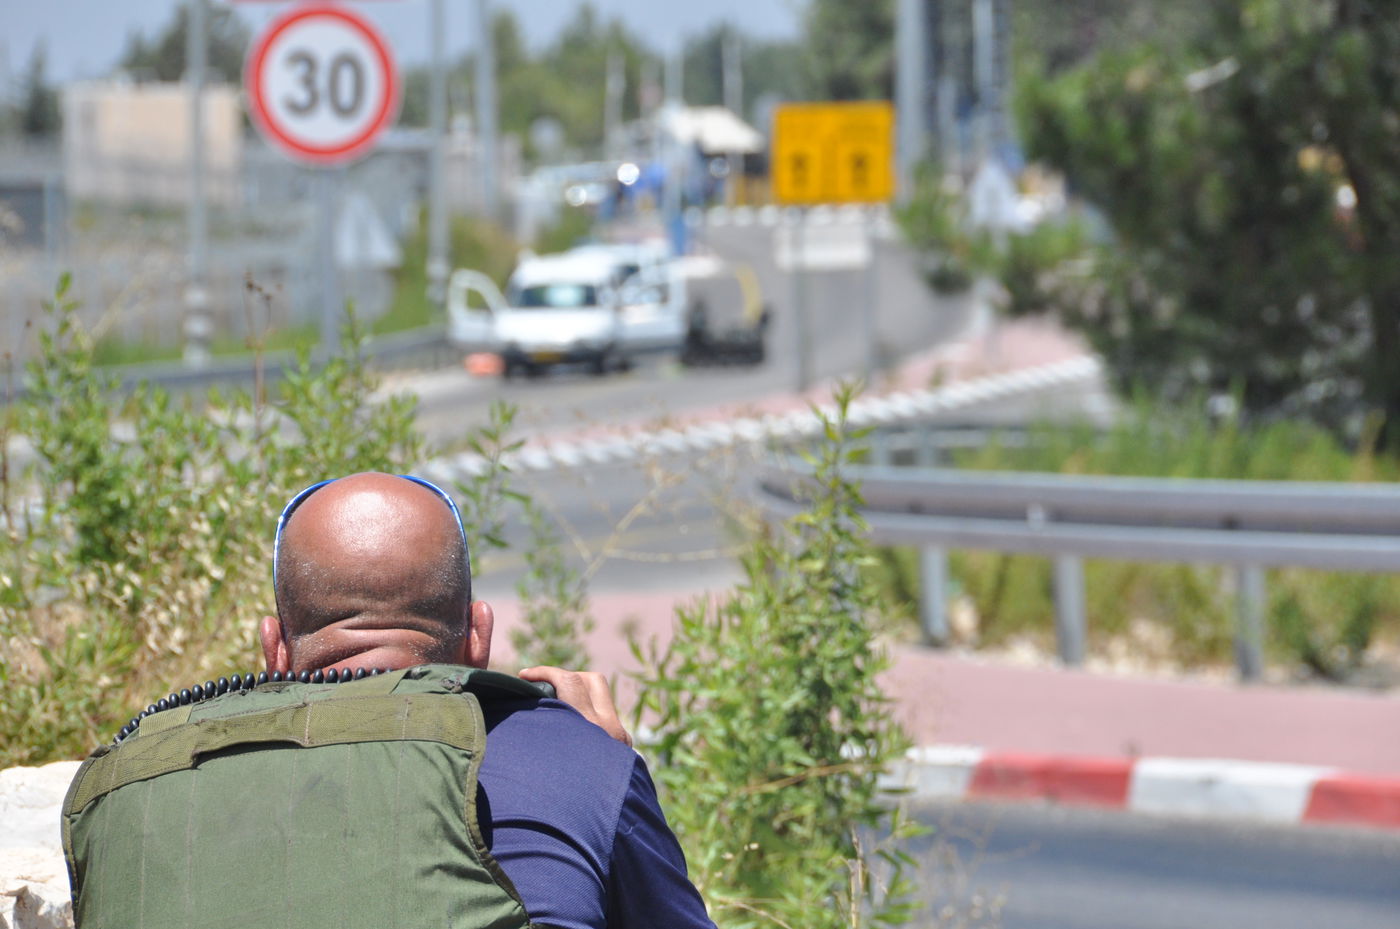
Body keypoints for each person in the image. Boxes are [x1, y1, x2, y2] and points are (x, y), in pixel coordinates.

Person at [261, 472, 714, 929]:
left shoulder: (200, 777)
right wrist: (600, 770)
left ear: (274, 649)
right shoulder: (583, 765)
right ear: (479, 636)